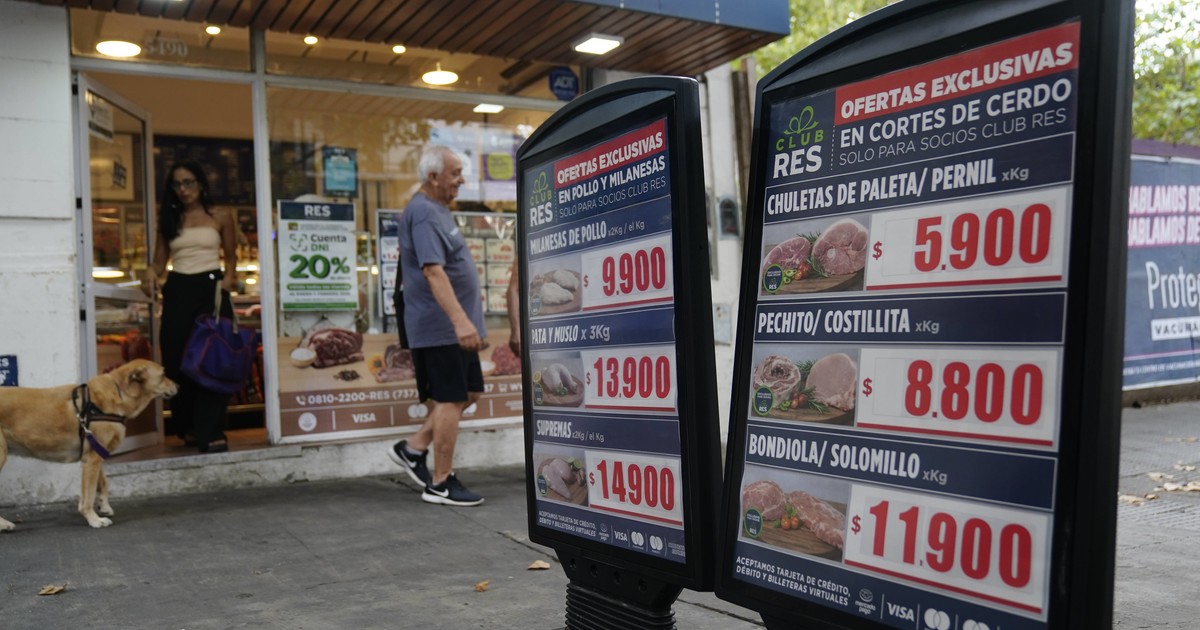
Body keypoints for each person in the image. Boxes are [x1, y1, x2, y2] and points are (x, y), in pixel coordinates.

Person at [387, 145, 487, 507]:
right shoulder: (425, 213)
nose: (461, 180)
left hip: (453, 327)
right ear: (433, 177)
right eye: (455, 173)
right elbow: (433, 271)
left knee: (470, 392)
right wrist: (460, 322)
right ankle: (440, 483)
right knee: (450, 398)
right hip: (440, 326)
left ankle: (413, 448)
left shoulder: (439, 210)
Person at [150, 161, 238, 454]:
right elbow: (159, 262)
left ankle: (211, 429)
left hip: (211, 287)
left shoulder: (221, 215)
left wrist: (228, 280)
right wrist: (150, 273)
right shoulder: (169, 219)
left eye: (188, 182)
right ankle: (187, 425)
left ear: (200, 184)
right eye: (176, 184)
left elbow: (231, 257)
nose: (183, 189)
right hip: (178, 287)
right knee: (176, 358)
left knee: (212, 358)